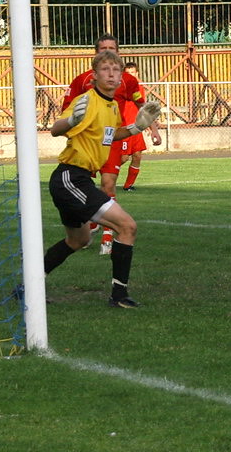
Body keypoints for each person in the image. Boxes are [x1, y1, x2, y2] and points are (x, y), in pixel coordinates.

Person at [44, 49, 161, 307]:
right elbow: (55, 129)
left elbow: (109, 136)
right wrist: (72, 119)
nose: (111, 73)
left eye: (116, 69)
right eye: (105, 69)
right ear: (94, 75)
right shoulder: (86, 100)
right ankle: (119, 296)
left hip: (78, 178)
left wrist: (136, 127)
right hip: (71, 177)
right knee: (127, 226)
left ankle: (28, 286)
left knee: (79, 240)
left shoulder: (112, 106)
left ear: (121, 77)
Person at [62, 34, 162, 255]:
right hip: (85, 142)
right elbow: (66, 112)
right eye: (102, 48)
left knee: (108, 185)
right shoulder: (82, 80)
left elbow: (142, 105)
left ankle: (107, 237)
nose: (107, 51)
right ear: (95, 53)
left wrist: (153, 129)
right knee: (84, 191)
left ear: (118, 52)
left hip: (112, 138)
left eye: (112, 48)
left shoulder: (128, 80)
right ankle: (88, 228)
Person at [118, 62, 160, 192]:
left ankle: (128, 185)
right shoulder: (119, 88)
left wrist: (150, 126)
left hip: (136, 128)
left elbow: (143, 109)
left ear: (137, 74)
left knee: (137, 155)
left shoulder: (140, 89)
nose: (131, 75)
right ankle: (100, 171)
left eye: (133, 73)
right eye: (128, 73)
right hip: (124, 128)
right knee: (123, 158)